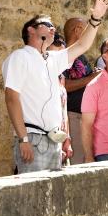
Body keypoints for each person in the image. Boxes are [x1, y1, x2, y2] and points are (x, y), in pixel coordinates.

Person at [2, 0, 108, 173]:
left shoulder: (52, 59)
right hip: (33, 138)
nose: (53, 27)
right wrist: (23, 140)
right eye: (46, 24)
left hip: (54, 142)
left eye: (53, 25)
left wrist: (95, 19)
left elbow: (83, 45)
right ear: (30, 30)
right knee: (33, 198)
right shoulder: (20, 57)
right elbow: (11, 98)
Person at [61, 17, 102, 165]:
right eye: (87, 30)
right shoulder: (62, 55)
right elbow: (63, 86)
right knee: (77, 161)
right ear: (78, 30)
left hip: (86, 117)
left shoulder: (82, 57)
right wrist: (91, 77)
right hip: (72, 117)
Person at [47, 33, 73, 164]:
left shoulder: (61, 77)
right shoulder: (41, 74)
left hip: (60, 138)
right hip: (46, 139)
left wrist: (67, 140)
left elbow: (64, 111)